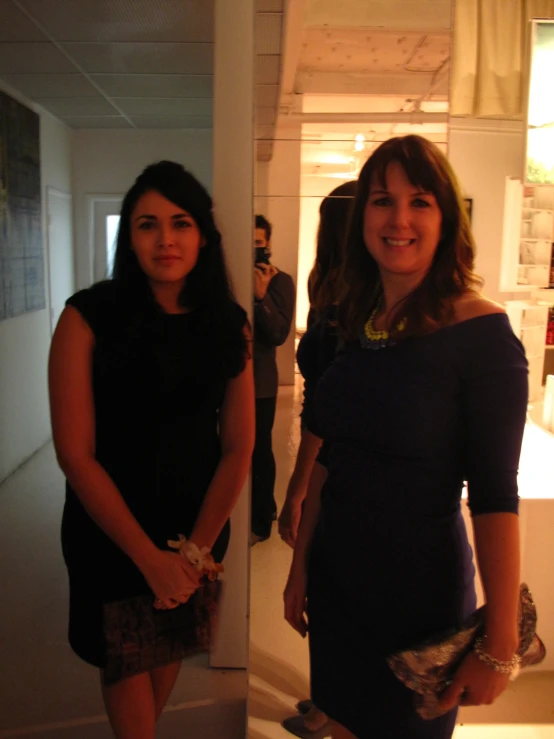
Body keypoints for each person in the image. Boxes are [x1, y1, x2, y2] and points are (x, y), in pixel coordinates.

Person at [284, 135, 528, 739]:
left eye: (419, 201)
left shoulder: (484, 336)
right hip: (339, 585)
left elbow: (496, 497)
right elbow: (330, 458)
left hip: (417, 599)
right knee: (340, 725)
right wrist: (300, 566)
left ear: (446, 218)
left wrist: (499, 641)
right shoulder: (359, 321)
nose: (398, 219)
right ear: (360, 217)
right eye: (381, 200)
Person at [48, 161, 255, 739]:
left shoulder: (228, 324)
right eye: (147, 224)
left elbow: (239, 446)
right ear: (129, 237)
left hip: (197, 530)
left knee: (164, 651)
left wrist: (191, 554)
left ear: (203, 235)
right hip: (110, 533)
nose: (166, 239)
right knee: (126, 667)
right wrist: (147, 558)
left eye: (181, 222)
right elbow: (74, 454)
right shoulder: (87, 317)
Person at [279, 181, 357, 739]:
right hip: (329, 450)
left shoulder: (352, 299)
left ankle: (335, 708)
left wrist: (300, 485)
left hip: (342, 460)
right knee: (327, 586)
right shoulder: (329, 288)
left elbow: (327, 404)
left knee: (334, 587)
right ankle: (331, 699)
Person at [251, 214, 296, 544]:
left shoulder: (280, 281)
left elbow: (279, 334)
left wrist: (260, 295)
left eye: (259, 243)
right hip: (225, 376)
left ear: (268, 244)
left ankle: (262, 519)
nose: (254, 250)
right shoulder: (223, 276)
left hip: (260, 380)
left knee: (259, 449)